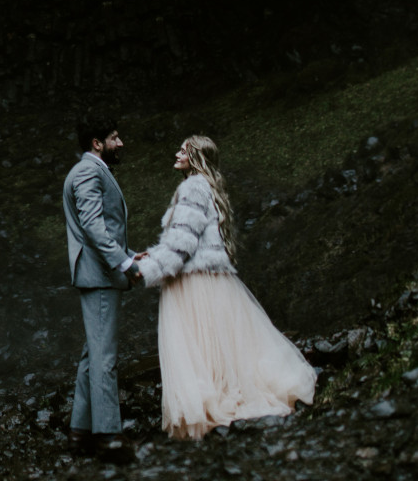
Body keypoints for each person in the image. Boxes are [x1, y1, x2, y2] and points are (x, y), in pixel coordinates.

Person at [131, 135, 316, 439]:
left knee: (197, 347)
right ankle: (226, 400)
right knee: (218, 343)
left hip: (192, 282)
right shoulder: (209, 187)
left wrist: (145, 270)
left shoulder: (191, 187)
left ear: (197, 157)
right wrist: (153, 256)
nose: (177, 153)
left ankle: (211, 409)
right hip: (212, 278)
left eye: (184, 150)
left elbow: (182, 243)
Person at [61, 115, 138, 459]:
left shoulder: (87, 171)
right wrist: (123, 263)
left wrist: (132, 254)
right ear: (97, 143)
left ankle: (79, 433)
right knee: (105, 356)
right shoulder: (89, 172)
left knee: (92, 354)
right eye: (114, 138)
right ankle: (108, 436)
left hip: (95, 272)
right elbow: (93, 226)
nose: (120, 143)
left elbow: (101, 229)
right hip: (100, 275)